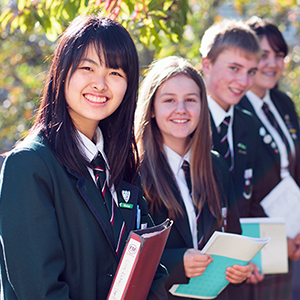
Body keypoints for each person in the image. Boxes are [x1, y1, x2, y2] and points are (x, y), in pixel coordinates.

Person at [0, 14, 167, 300]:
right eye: (87, 68)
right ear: (62, 72)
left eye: (115, 73)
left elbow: (150, 268)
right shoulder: (29, 166)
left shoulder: (120, 166)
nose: (100, 84)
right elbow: (40, 290)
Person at [135, 55, 254, 300]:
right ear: (152, 109)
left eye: (191, 100)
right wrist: (178, 263)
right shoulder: (134, 171)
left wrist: (240, 269)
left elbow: (233, 235)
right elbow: (125, 252)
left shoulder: (216, 165)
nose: (181, 110)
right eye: (169, 100)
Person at [236, 16, 300, 300]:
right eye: (263, 55)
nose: (272, 64)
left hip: (294, 229)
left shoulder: (283, 103)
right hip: (261, 237)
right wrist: (278, 242)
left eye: (279, 55)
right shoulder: (236, 111)